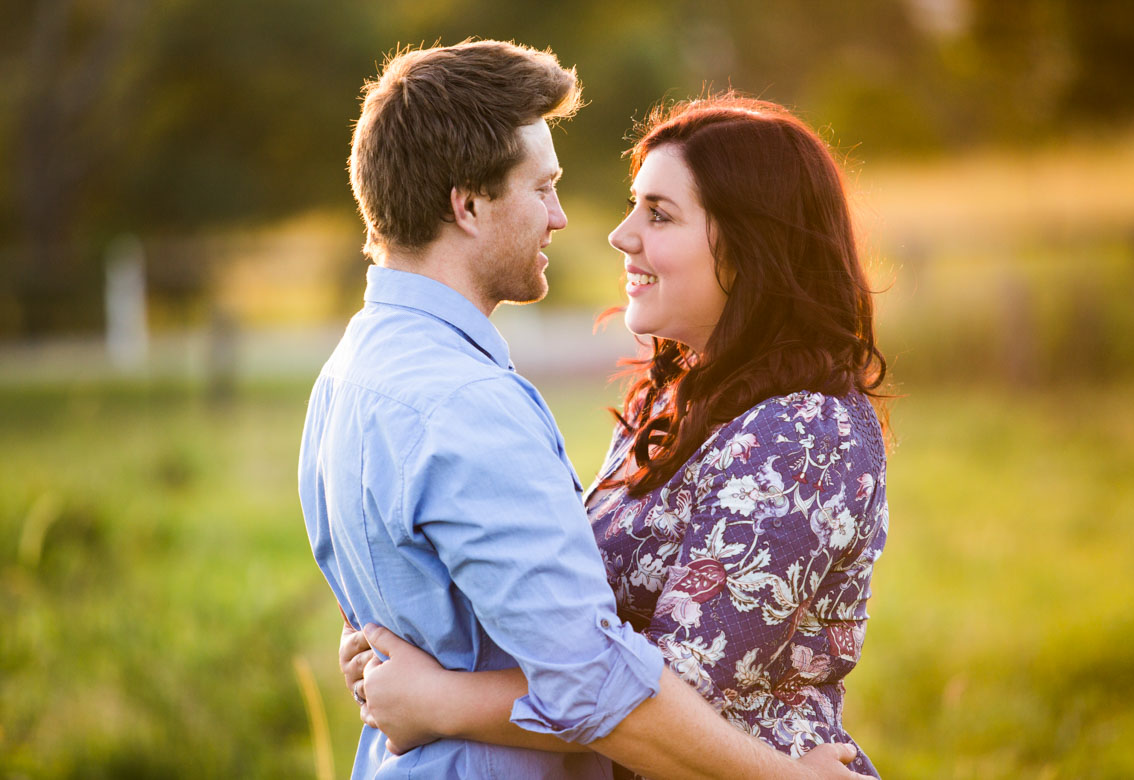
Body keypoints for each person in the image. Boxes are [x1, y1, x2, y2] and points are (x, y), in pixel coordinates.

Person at [300, 40, 865, 780]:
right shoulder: (466, 403)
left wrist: (431, 691)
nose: (573, 221)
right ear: (467, 205)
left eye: (657, 215)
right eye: (542, 189)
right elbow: (598, 682)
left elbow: (605, 671)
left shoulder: (351, 372)